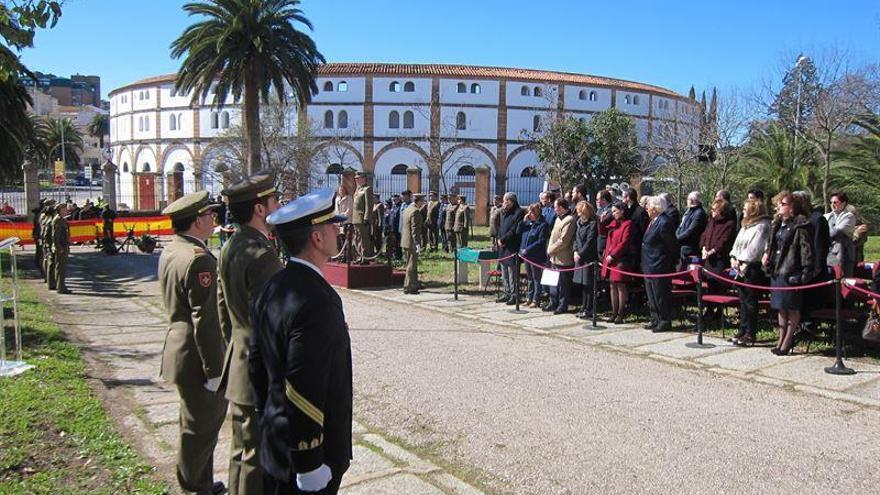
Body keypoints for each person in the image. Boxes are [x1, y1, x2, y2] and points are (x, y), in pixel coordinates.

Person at [250, 188, 352, 494]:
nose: (338, 230)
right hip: (307, 457)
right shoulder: (316, 300)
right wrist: (308, 461)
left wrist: (266, 420)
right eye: (332, 225)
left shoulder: (274, 285)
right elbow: (303, 384)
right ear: (317, 239)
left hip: (276, 443)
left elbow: (255, 363)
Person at [216, 173, 283, 495]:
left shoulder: (231, 245)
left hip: (238, 358)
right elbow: (273, 321)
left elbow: (222, 309)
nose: (279, 206)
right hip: (258, 366)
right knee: (255, 454)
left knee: (240, 450)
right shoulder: (261, 254)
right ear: (260, 209)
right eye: (274, 201)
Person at [158, 191, 228, 495]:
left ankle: (200, 481)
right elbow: (206, 319)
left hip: (179, 348)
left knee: (195, 424)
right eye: (210, 215)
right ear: (198, 220)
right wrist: (215, 370)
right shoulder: (199, 260)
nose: (214, 220)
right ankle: (194, 486)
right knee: (200, 428)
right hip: (197, 356)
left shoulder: (174, 249)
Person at [764, 191, 815, 356]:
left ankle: (788, 340)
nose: (779, 207)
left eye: (783, 204)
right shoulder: (778, 224)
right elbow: (772, 246)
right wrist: (768, 257)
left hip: (791, 271)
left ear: (792, 207)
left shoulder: (800, 225)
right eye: (779, 204)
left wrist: (805, 272)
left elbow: (806, 251)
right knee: (781, 308)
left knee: (792, 308)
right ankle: (780, 339)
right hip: (778, 271)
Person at [729, 199, 771, 346]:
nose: (743, 211)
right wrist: (734, 258)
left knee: (751, 302)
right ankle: (742, 329)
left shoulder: (762, 226)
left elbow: (755, 249)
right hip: (739, 267)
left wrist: (742, 261)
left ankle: (750, 333)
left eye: (746, 209)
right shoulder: (745, 225)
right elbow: (736, 244)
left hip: (752, 268)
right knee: (742, 301)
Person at [641, 196, 679, 332]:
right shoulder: (653, 221)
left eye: (649, 206)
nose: (647, 208)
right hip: (649, 264)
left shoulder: (664, 222)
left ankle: (664, 320)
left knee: (660, 294)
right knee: (651, 294)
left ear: (656, 208)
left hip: (659, 264)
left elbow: (672, 245)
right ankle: (655, 318)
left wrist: (674, 261)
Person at [699, 198, 737, 320]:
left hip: (719, 259)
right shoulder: (711, 221)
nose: (713, 212)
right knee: (710, 284)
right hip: (709, 260)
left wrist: (713, 251)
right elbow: (704, 235)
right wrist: (704, 248)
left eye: (715, 210)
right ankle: (709, 309)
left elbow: (724, 241)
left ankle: (719, 311)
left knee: (719, 285)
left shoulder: (729, 224)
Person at [601, 202, 635, 323]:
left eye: (615, 211)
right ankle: (613, 312)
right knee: (612, 285)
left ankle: (620, 313)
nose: (613, 213)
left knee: (620, 285)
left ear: (622, 211)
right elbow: (602, 232)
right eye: (612, 211)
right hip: (610, 259)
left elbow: (624, 243)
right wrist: (603, 220)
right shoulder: (614, 224)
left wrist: (613, 254)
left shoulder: (628, 224)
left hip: (620, 259)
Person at [546, 198, 576, 314]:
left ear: (562, 207)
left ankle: (562, 305)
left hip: (563, 257)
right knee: (553, 281)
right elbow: (553, 235)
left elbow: (564, 240)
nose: (554, 209)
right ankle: (553, 302)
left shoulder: (569, 220)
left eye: (556, 207)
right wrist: (549, 249)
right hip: (553, 255)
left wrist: (551, 249)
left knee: (563, 284)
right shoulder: (558, 218)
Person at [519, 203, 550, 308]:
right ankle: (529, 298)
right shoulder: (528, 224)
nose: (529, 214)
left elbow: (541, 241)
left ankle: (536, 299)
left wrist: (528, 250)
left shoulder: (542, 225)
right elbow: (519, 231)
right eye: (529, 212)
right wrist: (524, 220)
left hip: (535, 255)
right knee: (530, 278)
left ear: (536, 213)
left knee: (536, 278)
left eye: (531, 212)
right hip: (526, 255)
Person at [495, 193, 523, 304]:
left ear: (511, 201)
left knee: (512, 274)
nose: (503, 203)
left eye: (505, 201)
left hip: (511, 247)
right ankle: (506, 293)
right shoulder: (504, 211)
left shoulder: (519, 212)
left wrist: (503, 240)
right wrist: (498, 239)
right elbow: (500, 228)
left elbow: (514, 230)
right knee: (504, 273)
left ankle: (514, 295)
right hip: (502, 247)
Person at [573, 200, 598, 319]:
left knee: (588, 285)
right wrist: (575, 251)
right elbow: (576, 239)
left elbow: (590, 241)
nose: (577, 214)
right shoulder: (579, 223)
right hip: (580, 257)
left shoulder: (592, 223)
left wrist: (581, 254)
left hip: (588, 258)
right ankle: (583, 307)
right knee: (582, 285)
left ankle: (589, 309)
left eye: (579, 211)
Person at [825, 192, 856, 277]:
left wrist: (823, 233)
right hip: (828, 254)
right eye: (831, 202)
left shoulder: (849, 216)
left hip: (845, 256)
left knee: (844, 282)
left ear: (843, 203)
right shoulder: (826, 216)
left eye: (835, 202)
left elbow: (837, 231)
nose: (832, 205)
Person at [401, 194, 426, 294]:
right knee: (411, 265)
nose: (423, 203)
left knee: (410, 264)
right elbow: (414, 229)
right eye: (422, 201)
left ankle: (414, 284)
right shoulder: (415, 211)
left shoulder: (407, 209)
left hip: (405, 241)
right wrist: (417, 243)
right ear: (419, 201)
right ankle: (408, 286)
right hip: (411, 242)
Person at [676, 191, 708, 268]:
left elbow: (691, 231)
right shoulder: (688, 211)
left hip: (690, 248)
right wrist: (676, 235)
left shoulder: (699, 213)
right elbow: (681, 226)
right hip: (682, 246)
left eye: (688, 199)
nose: (687, 201)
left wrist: (677, 238)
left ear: (692, 200)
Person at [350, 172, 374, 263]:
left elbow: (369, 205)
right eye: (356, 178)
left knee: (364, 239)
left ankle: (364, 257)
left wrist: (367, 217)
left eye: (358, 178)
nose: (356, 180)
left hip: (362, 218)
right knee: (357, 238)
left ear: (364, 179)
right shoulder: (357, 189)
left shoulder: (367, 189)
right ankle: (358, 257)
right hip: (355, 218)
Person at [50, 202, 71, 294]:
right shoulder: (58, 220)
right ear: (60, 210)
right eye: (64, 209)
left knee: (62, 268)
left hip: (63, 246)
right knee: (60, 268)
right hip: (61, 247)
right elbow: (56, 236)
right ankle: (61, 287)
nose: (66, 210)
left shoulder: (61, 219)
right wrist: (59, 248)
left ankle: (61, 285)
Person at [334, 185, 352, 254]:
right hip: (338, 222)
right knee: (339, 239)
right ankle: (340, 254)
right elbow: (336, 210)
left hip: (346, 221)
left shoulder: (349, 198)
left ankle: (346, 255)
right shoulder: (337, 199)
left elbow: (350, 209)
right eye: (340, 190)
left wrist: (343, 216)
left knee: (345, 239)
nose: (341, 191)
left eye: (342, 190)